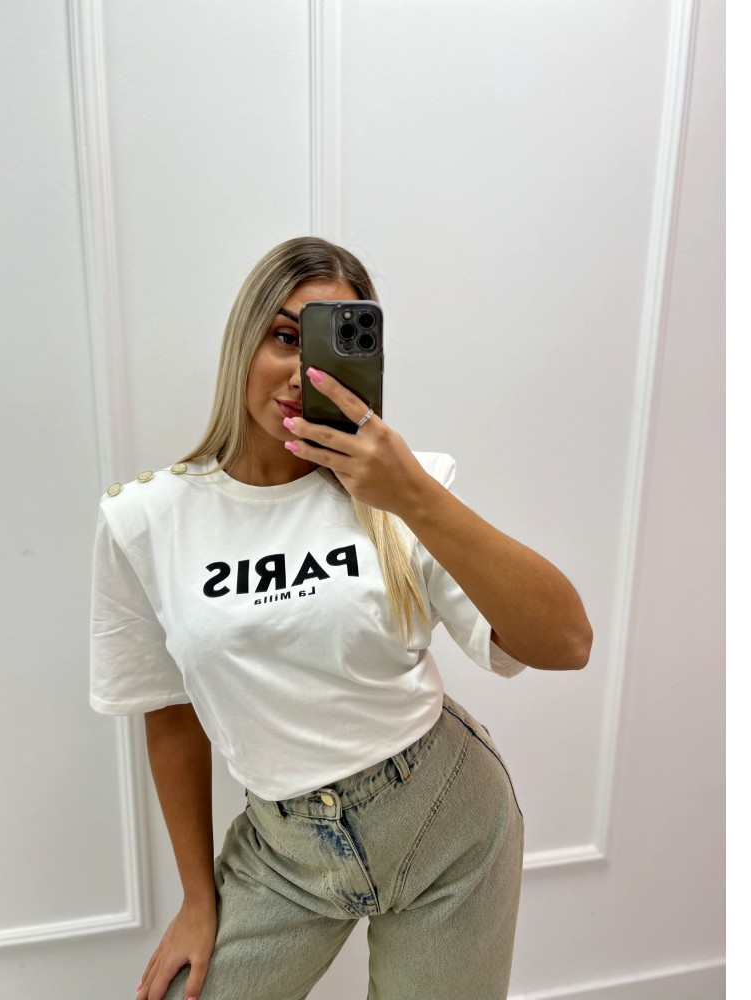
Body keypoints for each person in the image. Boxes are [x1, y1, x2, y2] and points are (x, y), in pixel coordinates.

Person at [90, 236, 592, 1000]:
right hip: (285, 854)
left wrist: (413, 493)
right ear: (243, 341)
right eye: (284, 336)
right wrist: (197, 898)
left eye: (331, 346)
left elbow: (568, 641)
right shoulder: (145, 521)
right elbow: (169, 713)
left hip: (447, 822)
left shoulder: (404, 494)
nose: (303, 374)